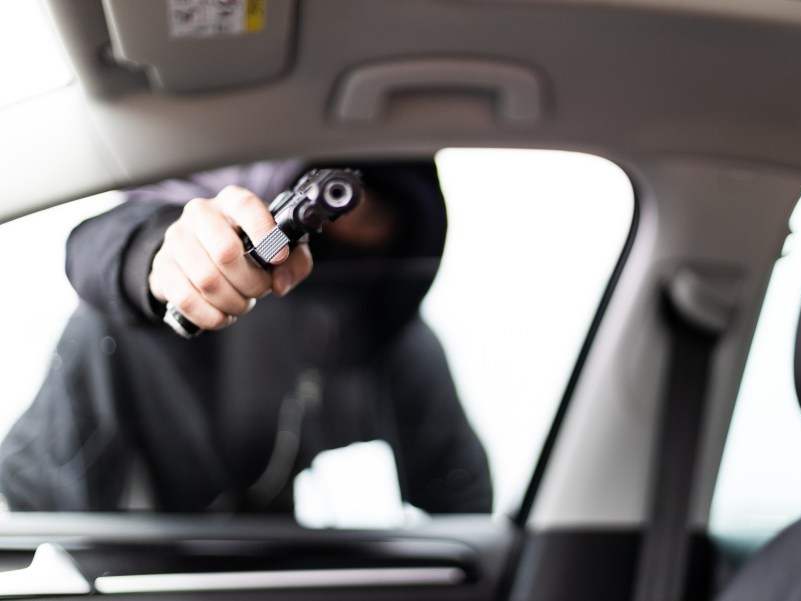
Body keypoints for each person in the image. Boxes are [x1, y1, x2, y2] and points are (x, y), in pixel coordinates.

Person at [0, 158, 493, 514]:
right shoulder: (108, 336)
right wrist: (153, 258)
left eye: (370, 212)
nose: (348, 221)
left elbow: (466, 508)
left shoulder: (396, 344)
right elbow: (25, 502)